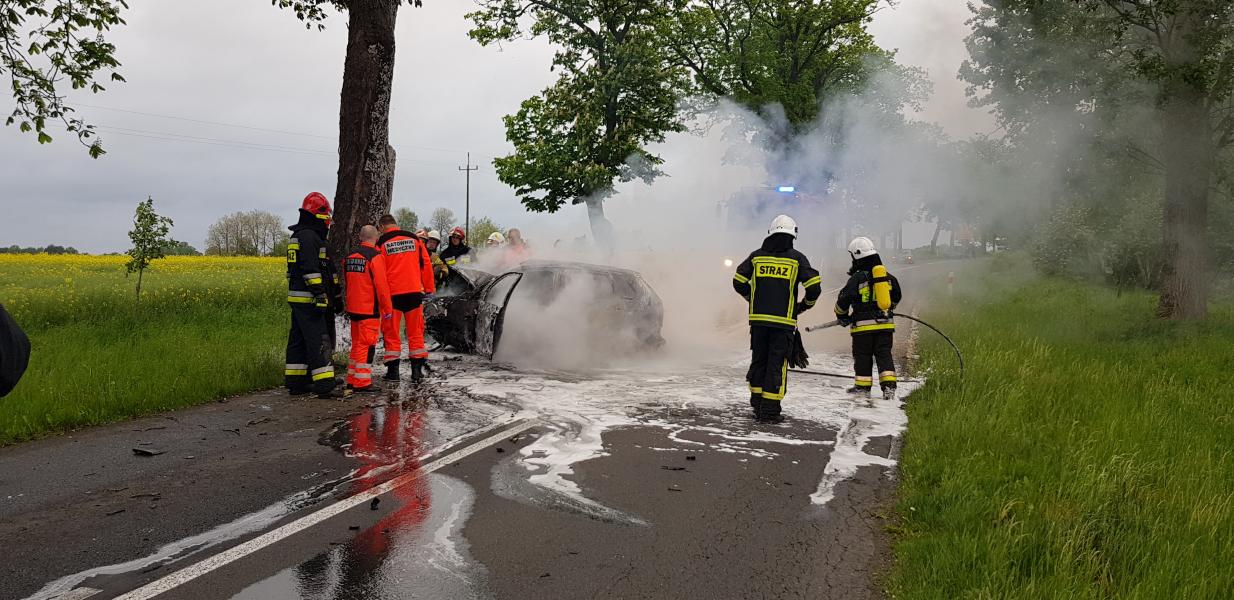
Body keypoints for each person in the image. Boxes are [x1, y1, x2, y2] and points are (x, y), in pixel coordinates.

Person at [732, 215, 822, 422]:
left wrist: (751, 298)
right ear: (792, 237)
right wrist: (803, 307)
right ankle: (770, 411)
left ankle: (757, 404)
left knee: (759, 360)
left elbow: (738, 280)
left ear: (770, 234)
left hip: (758, 322)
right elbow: (814, 287)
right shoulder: (797, 258)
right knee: (776, 364)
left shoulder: (756, 257)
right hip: (783, 323)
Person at [285, 192, 342, 399]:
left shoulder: (299, 236)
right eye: (326, 220)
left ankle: (297, 381)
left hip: (298, 297)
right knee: (319, 339)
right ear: (318, 217)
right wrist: (320, 295)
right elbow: (311, 270)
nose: (327, 225)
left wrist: (334, 294)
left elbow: (317, 267)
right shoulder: (309, 237)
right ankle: (325, 384)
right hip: (309, 298)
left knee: (298, 339)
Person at [833, 236, 903, 400]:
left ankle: (863, 388)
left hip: (863, 329)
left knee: (863, 356)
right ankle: (889, 388)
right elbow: (897, 296)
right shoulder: (887, 277)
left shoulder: (857, 279)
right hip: (885, 326)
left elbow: (843, 299)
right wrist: (888, 308)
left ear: (857, 256)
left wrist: (842, 316)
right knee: (884, 355)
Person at [376, 214, 436, 383]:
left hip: (392, 295)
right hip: (413, 293)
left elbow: (378, 271)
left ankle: (393, 373)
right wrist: (429, 289)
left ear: (382, 227)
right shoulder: (413, 239)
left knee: (391, 333)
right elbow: (426, 265)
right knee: (416, 333)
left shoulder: (381, 243)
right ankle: (416, 373)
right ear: (396, 224)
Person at [343, 225, 394, 395]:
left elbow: (347, 281)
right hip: (368, 309)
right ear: (376, 237)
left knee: (357, 345)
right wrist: (387, 308)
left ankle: (351, 379)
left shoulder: (350, 257)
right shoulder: (375, 257)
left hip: (353, 307)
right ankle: (362, 382)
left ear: (360, 237)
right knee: (366, 345)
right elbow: (381, 286)